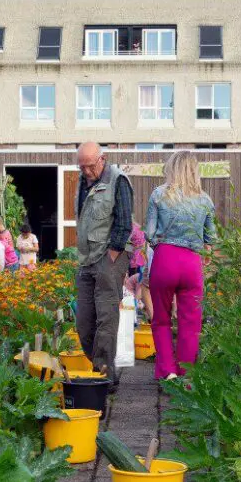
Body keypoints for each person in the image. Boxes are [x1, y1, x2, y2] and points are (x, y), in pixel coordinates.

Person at [145, 151, 216, 380]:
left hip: (165, 259)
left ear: (172, 168)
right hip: (192, 263)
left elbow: (149, 233)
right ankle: (187, 375)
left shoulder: (159, 194)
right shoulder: (205, 199)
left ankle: (168, 373)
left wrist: (159, 245)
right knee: (191, 323)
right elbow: (211, 237)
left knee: (161, 319)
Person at [72, 141, 134, 381]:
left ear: (102, 159)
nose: (86, 171)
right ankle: (103, 368)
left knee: (106, 318)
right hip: (86, 259)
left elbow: (124, 222)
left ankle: (104, 376)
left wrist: (112, 255)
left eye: (90, 166)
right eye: (82, 167)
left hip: (110, 257)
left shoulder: (118, 180)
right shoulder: (82, 182)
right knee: (84, 323)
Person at [126, 219, 151, 323]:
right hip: (143, 257)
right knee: (141, 282)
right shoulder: (137, 227)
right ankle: (140, 308)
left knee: (140, 283)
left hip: (137, 258)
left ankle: (137, 309)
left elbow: (127, 245)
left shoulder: (129, 228)